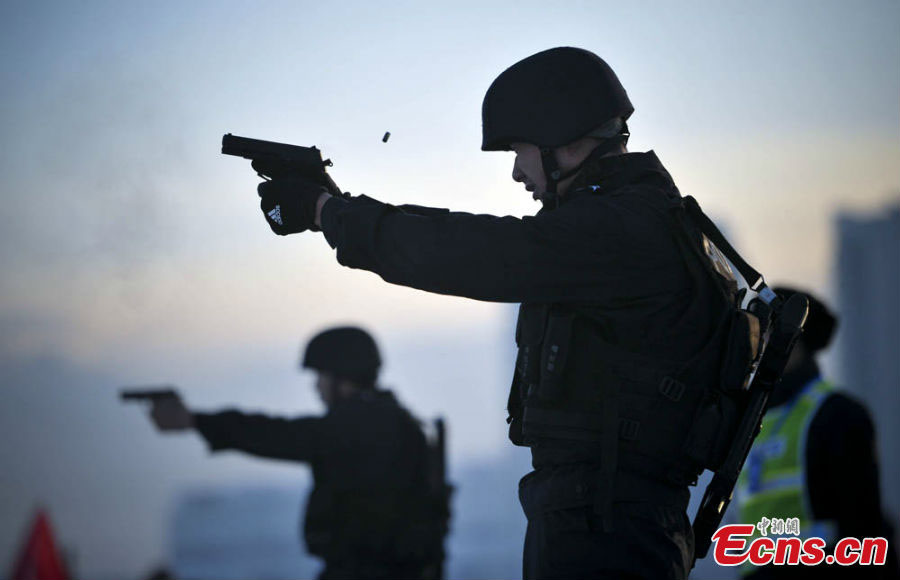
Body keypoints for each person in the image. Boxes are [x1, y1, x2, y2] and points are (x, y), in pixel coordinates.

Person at [252, 47, 756, 579]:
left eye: (520, 150)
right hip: (602, 521)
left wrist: (326, 213)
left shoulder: (621, 230)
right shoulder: (627, 221)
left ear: (562, 139)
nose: (517, 172)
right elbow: (474, 242)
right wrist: (341, 208)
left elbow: (474, 252)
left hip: (608, 532)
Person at [148, 326, 446, 580]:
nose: (316, 387)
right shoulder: (398, 423)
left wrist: (195, 421)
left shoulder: (360, 427)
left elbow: (277, 435)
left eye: (321, 376)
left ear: (342, 378)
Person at [737, 288, 898, 579]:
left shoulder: (837, 414)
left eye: (772, 332)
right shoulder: (751, 421)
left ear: (796, 340)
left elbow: (864, 528)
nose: (762, 343)